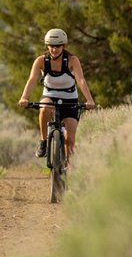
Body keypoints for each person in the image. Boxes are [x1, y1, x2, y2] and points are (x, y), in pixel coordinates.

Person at [17, 28, 95, 162]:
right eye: (52, 46)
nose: (54, 49)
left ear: (63, 46)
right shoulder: (41, 61)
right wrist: (24, 97)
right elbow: (32, 80)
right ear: (47, 46)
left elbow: (81, 80)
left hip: (70, 99)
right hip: (50, 95)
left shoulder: (72, 60)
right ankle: (43, 141)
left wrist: (89, 100)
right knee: (44, 108)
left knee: (69, 140)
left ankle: (68, 171)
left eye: (58, 46)